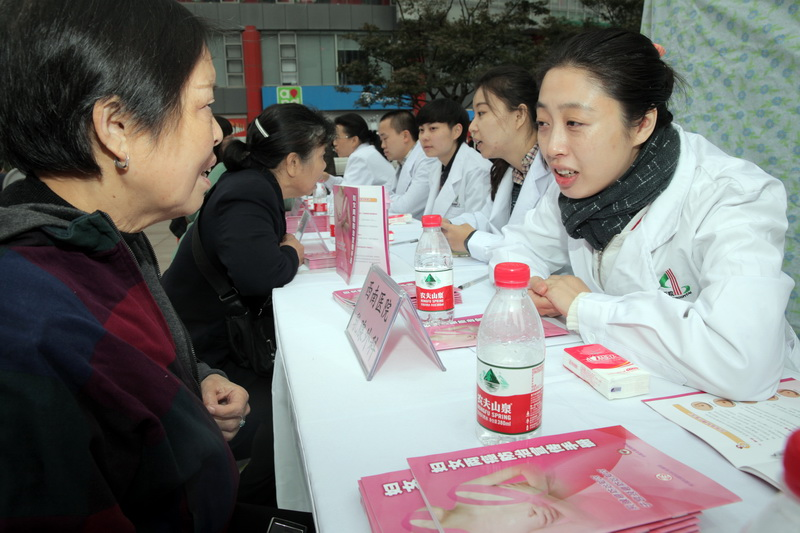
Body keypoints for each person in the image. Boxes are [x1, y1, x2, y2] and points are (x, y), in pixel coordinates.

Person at [0, 0, 250, 530]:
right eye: (204, 106)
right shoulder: (28, 334)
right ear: (117, 126)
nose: (215, 135)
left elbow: (126, 368)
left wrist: (189, 384)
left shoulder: (104, 236)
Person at [490, 28, 800, 401]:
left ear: (641, 124)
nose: (553, 146)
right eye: (544, 123)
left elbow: (742, 361)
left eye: (574, 123)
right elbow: (520, 244)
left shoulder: (732, 196)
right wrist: (530, 287)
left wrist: (585, 309)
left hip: (739, 415)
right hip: (634, 390)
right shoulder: (575, 186)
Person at [162, 103, 334, 513]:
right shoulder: (249, 191)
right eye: (323, 154)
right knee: (295, 404)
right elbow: (263, 274)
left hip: (213, 338)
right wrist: (291, 251)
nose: (326, 165)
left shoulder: (254, 185)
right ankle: (255, 507)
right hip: (203, 355)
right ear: (293, 162)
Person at [442, 66, 551, 262]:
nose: (473, 127)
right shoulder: (507, 170)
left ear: (519, 115)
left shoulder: (555, 173)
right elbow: (486, 218)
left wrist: (470, 239)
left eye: (481, 113)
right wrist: (448, 225)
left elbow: (537, 251)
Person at [418, 98, 492, 221]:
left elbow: (477, 226)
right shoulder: (437, 167)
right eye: (421, 130)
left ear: (456, 131)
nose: (424, 137)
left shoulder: (478, 170)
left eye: (433, 129)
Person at [378, 109, 438, 218]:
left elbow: (406, 207)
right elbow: (382, 193)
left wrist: (385, 199)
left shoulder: (428, 159)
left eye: (385, 138)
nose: (382, 145)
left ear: (405, 136)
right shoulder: (403, 161)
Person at [325, 112, 395, 190]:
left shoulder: (360, 157)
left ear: (354, 140)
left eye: (337, 138)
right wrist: (327, 178)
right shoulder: (367, 152)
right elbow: (347, 184)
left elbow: (346, 194)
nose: (334, 143)